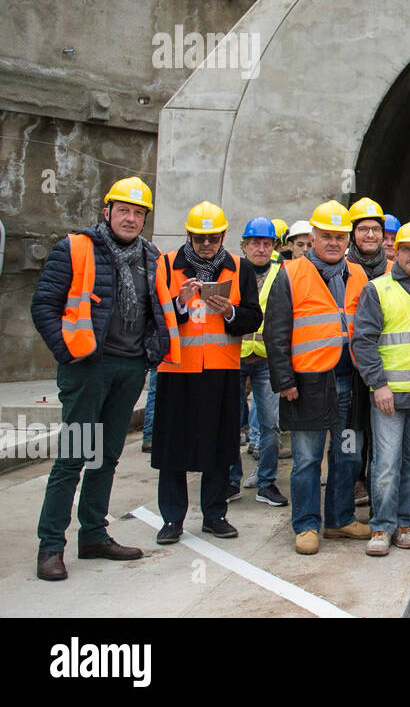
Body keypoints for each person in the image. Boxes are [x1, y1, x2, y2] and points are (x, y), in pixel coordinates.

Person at [31, 177, 168, 581]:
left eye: (138, 212)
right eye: (123, 210)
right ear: (106, 212)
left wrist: (150, 351)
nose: (131, 218)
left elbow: (155, 308)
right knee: (73, 458)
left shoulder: (151, 256)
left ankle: (93, 535)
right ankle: (51, 546)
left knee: (106, 457)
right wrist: (69, 352)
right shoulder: (75, 248)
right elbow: (44, 306)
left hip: (129, 369)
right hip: (89, 369)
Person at [264, 200, 370, 555]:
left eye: (340, 237)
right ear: (312, 236)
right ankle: (307, 524)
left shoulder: (358, 274)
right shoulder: (291, 273)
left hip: (350, 382)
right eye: (326, 236)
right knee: (307, 458)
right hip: (308, 382)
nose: (333, 243)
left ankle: (339, 519)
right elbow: (276, 332)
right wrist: (284, 380)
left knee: (348, 454)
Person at [152, 201, 262, 542]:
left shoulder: (239, 268)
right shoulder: (167, 265)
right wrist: (180, 305)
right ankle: (172, 520)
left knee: (219, 446)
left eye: (213, 238)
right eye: (200, 238)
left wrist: (230, 311)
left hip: (221, 370)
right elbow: (155, 316)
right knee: (173, 449)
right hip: (177, 370)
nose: (206, 244)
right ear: (189, 235)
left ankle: (214, 515)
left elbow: (253, 317)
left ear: (223, 236)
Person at [350, 222, 410, 557]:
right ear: (396, 252)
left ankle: (403, 522)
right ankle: (381, 525)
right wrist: (378, 385)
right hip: (389, 394)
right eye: (407, 249)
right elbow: (363, 342)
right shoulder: (378, 290)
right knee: (386, 463)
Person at [237, 217, 288, 507]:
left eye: (267, 243)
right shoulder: (232, 271)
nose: (261, 248)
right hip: (235, 354)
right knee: (231, 422)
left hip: (267, 359)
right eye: (255, 243)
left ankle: (266, 482)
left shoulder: (283, 273)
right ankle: (231, 479)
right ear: (244, 245)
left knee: (270, 425)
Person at [347, 197, 390, 509]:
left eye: (375, 229)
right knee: (351, 431)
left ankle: (379, 489)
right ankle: (352, 481)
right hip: (348, 366)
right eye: (363, 230)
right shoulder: (341, 267)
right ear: (353, 234)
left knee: (380, 433)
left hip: (384, 363)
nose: (370, 236)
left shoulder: (393, 268)